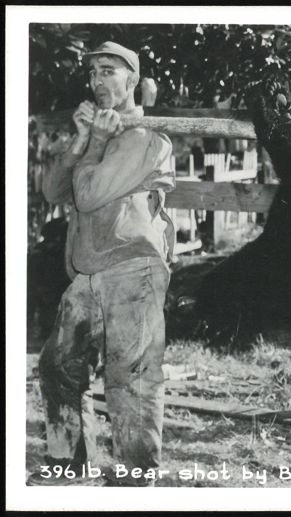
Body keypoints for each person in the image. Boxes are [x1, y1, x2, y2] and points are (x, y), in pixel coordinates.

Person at [31, 41, 175, 486]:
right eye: (92, 73)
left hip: (133, 267)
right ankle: (70, 463)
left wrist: (93, 143)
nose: (97, 81)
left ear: (133, 81)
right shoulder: (96, 136)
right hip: (87, 272)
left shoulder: (148, 139)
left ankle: (135, 477)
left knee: (129, 377)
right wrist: (80, 140)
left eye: (108, 71)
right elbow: (53, 191)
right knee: (57, 364)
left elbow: (89, 193)